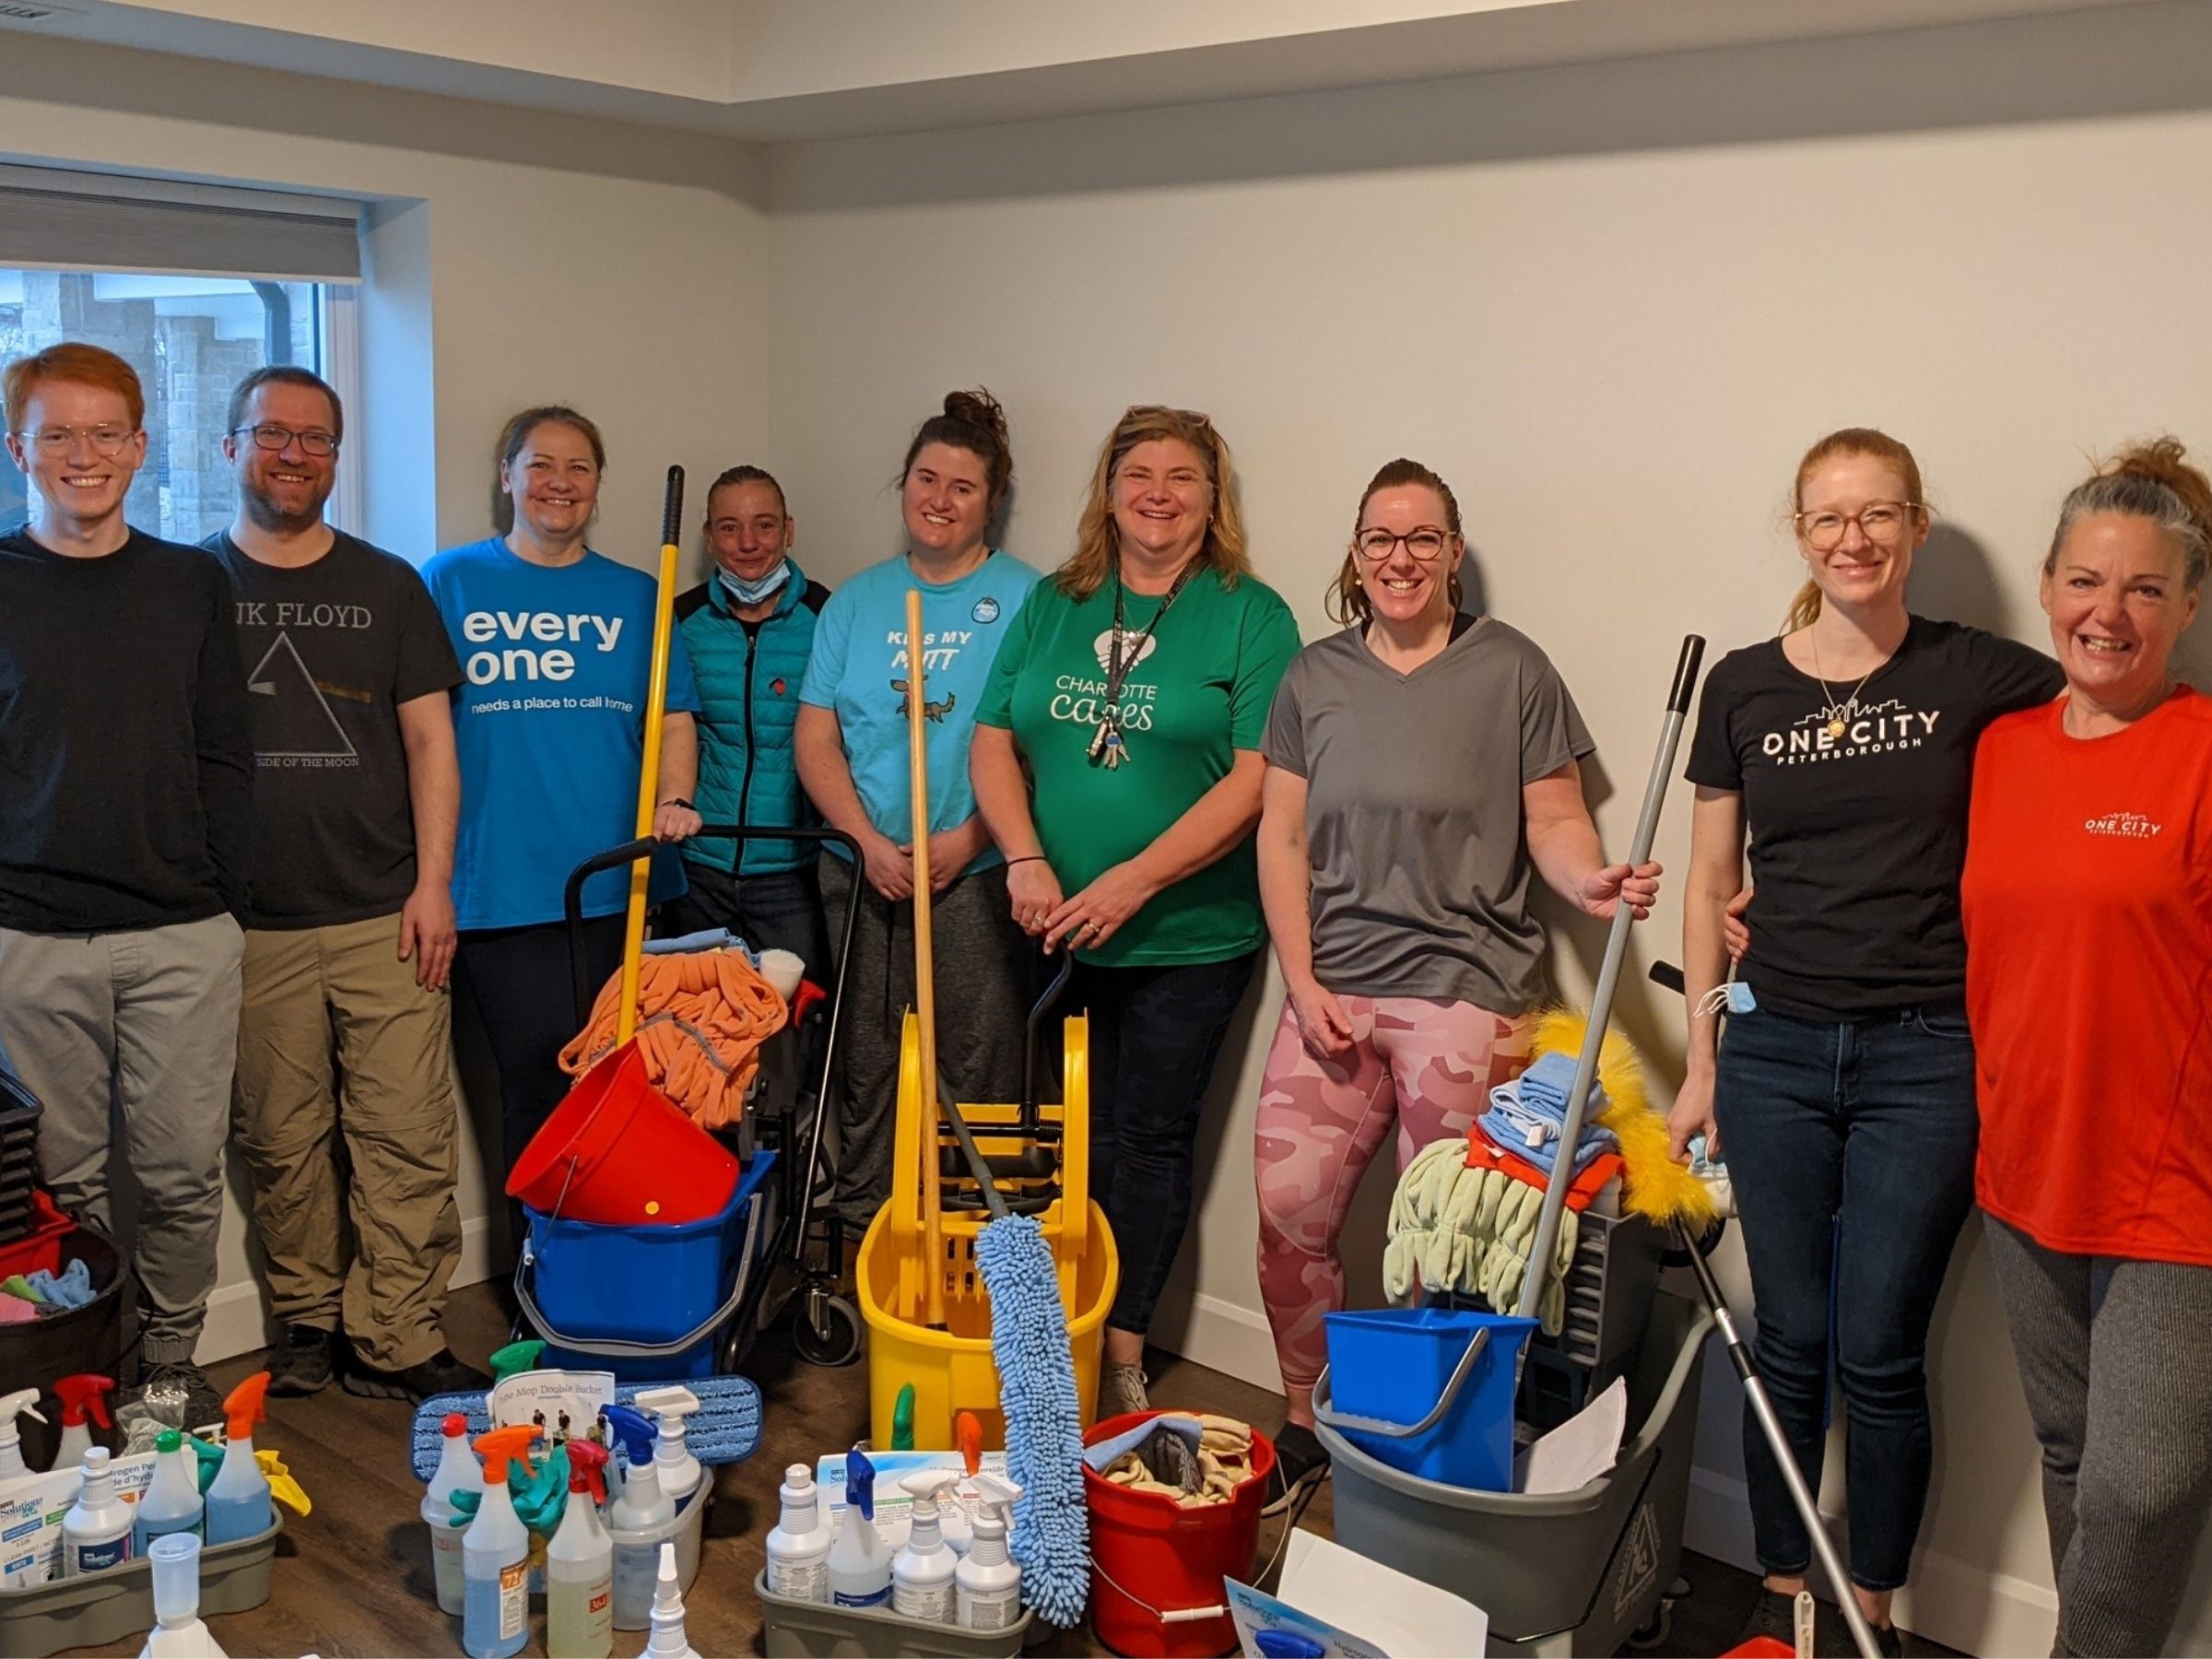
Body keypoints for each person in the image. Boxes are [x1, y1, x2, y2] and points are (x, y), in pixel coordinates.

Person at [1670, 428, 2063, 1654]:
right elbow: (1708, 880)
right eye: (1829, 517)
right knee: (1787, 1335)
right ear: (1802, 532)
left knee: (1881, 1349)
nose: (1853, 538)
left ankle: (1871, 1607)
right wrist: (1701, 1061)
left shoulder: (1983, 671)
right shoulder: (1743, 683)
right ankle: (1788, 1592)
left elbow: (2106, 714)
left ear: (1917, 527)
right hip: (1775, 1042)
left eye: (1877, 514)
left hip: (1928, 1056)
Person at [1250, 457, 1659, 1505]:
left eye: (1422, 538)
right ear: (1356, 552)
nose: (1401, 558)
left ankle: (1425, 1444)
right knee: (1290, 1209)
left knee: (1453, 1248)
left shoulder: (1512, 670)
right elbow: (1282, 836)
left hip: (1468, 990)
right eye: (1382, 539)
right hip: (1333, 990)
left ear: (1453, 553)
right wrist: (1301, 979)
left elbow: (1557, 819)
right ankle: (1309, 1415)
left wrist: (1590, 881)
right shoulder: (1313, 678)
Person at [971, 405, 1300, 1420]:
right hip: (1048, 923)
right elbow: (990, 738)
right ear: (1107, 492)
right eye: (1138, 473)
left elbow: (1256, 779)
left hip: (1185, 936)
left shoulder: (1253, 614)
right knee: (1067, 1138)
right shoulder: (1056, 601)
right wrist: (1024, 858)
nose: (1158, 493)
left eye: (1183, 478)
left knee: (1149, 1142)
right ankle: (1056, 1323)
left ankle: (1121, 1350)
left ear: (1214, 500)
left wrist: (1133, 880)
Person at [1964, 440, 2212, 1659]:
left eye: (2145, 590)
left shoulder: (2205, 750)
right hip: (2024, 1168)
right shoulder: (2001, 750)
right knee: (2068, 1454)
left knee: (2144, 1488)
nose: (2108, 615)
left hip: (2177, 1190)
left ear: (2188, 605)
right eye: (2085, 582)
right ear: (2050, 582)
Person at [204, 366, 486, 1402]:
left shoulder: (387, 585)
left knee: (406, 1136)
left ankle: (399, 1332)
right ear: (231, 447)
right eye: (271, 433)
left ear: (336, 456)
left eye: (315, 439)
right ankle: (308, 1324)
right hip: (248, 926)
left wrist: (435, 883)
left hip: (387, 913)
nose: (293, 453)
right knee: (280, 1142)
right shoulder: (193, 588)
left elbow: (430, 744)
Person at [0, 343, 251, 1425]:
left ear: (141, 448)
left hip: (182, 932)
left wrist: (220, 891)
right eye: (58, 434)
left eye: (106, 433)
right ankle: (86, 1372)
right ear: (20, 448)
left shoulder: (191, 581)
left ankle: (166, 1362)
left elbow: (225, 755)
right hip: (31, 937)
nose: (83, 455)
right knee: (69, 1184)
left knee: (185, 1174)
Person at [423, 406, 703, 1238]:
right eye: (540, 464)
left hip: (625, 881)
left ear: (598, 485)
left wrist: (673, 801)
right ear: (507, 476)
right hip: (502, 888)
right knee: (538, 1089)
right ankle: (538, 1279)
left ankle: (623, 1266)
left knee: (632, 1086)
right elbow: (421, 731)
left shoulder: (637, 595)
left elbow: (675, 721)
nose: (559, 483)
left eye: (578, 468)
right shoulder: (450, 582)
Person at [795, 390, 1040, 1237]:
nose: (940, 499)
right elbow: (817, 739)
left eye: (963, 487)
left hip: (974, 872)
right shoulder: (856, 602)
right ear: (904, 484)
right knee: (867, 1058)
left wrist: (972, 838)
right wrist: (866, 841)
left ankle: (973, 1236)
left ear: (992, 501)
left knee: (978, 1059)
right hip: (864, 868)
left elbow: (1037, 747)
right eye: (926, 478)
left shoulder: (1026, 600)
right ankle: (870, 1229)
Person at [667, 465, 832, 973]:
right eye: (729, 527)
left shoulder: (828, 616)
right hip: (699, 868)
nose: (747, 543)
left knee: (795, 1025)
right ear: (708, 536)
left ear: (789, 530)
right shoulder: (679, 620)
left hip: (793, 871)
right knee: (695, 1021)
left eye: (764, 525)